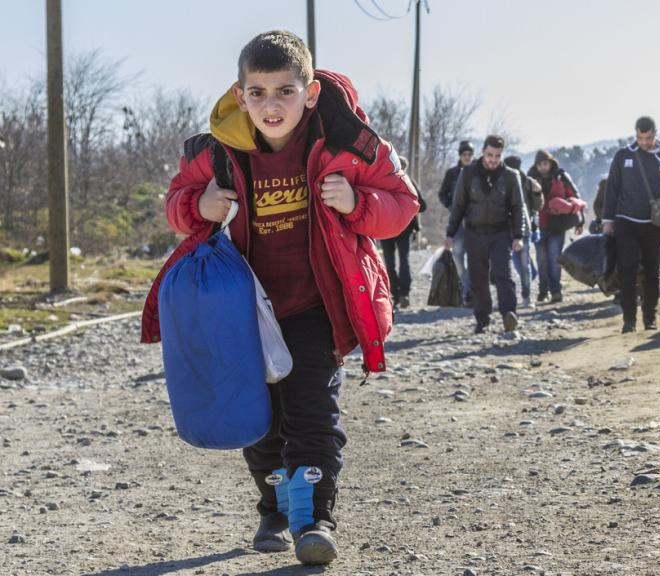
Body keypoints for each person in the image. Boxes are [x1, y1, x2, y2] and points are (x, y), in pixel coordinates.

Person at [139, 30, 419, 566]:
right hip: (244, 309)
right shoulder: (214, 151)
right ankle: (272, 508)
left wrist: (359, 200)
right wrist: (198, 203)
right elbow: (176, 206)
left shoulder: (348, 139)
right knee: (259, 416)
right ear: (240, 95)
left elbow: (403, 204)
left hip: (317, 305)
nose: (272, 104)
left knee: (313, 412)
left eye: (285, 91)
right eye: (259, 92)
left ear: (310, 93)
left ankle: (313, 519)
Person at [602, 116, 660, 333]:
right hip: (625, 221)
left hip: (654, 224)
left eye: (648, 138)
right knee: (627, 269)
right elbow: (612, 189)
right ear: (635, 134)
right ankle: (628, 319)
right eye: (640, 138)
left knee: (651, 271)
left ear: (655, 134)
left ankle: (650, 317)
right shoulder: (623, 156)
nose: (644, 142)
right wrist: (607, 220)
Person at [444, 135, 528, 334]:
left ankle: (509, 314)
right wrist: (450, 233)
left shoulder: (510, 176)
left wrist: (518, 235)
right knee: (478, 278)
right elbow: (458, 206)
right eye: (490, 155)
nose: (493, 160)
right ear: (483, 152)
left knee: (503, 274)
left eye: (497, 156)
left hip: (500, 233)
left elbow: (518, 208)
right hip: (474, 233)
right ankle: (483, 318)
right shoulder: (468, 174)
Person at [530, 150, 583, 304]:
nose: (543, 167)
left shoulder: (561, 176)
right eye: (539, 164)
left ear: (551, 163)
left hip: (557, 226)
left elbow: (575, 198)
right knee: (541, 260)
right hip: (538, 226)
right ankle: (543, 291)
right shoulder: (530, 179)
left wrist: (580, 220)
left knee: (554, 259)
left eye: (545, 163)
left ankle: (556, 291)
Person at [380, 156, 427, 309]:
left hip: (396, 229)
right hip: (392, 229)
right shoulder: (385, 182)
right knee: (397, 262)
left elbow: (422, 205)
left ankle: (399, 295)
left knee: (394, 263)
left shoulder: (399, 182)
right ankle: (398, 294)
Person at [438, 140, 475, 305]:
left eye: (469, 154)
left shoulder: (478, 171)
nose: (467, 157)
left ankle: (470, 294)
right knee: (459, 257)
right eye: (464, 154)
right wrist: (452, 206)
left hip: (476, 221)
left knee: (474, 258)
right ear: (460, 155)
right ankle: (463, 288)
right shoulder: (452, 173)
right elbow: (442, 193)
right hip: (457, 221)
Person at [505, 155, 542, 307]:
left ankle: (526, 296)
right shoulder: (501, 181)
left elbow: (537, 206)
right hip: (507, 228)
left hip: (521, 227)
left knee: (523, 264)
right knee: (518, 264)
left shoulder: (527, 182)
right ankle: (515, 296)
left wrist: (537, 192)